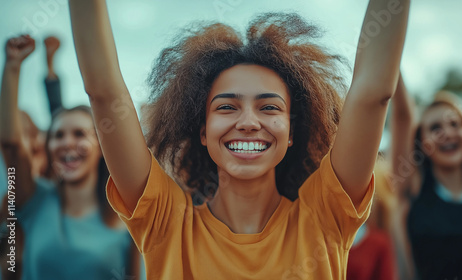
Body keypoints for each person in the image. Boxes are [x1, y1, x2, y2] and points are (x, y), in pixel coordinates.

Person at [69, 0, 409, 278]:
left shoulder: (325, 214)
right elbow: (103, 91)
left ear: (292, 132)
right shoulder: (164, 221)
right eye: (227, 107)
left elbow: (373, 94)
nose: (248, 122)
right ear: (203, 131)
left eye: (269, 107)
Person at [0, 35, 141, 280]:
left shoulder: (127, 216)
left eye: (79, 134)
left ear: (101, 147)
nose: (67, 143)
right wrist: (12, 66)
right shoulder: (34, 201)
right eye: (58, 135)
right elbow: (11, 145)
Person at [390, 13, 462, 280]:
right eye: (435, 128)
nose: (447, 133)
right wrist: (386, 36)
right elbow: (403, 113)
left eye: (455, 123)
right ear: (421, 143)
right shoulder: (413, 186)